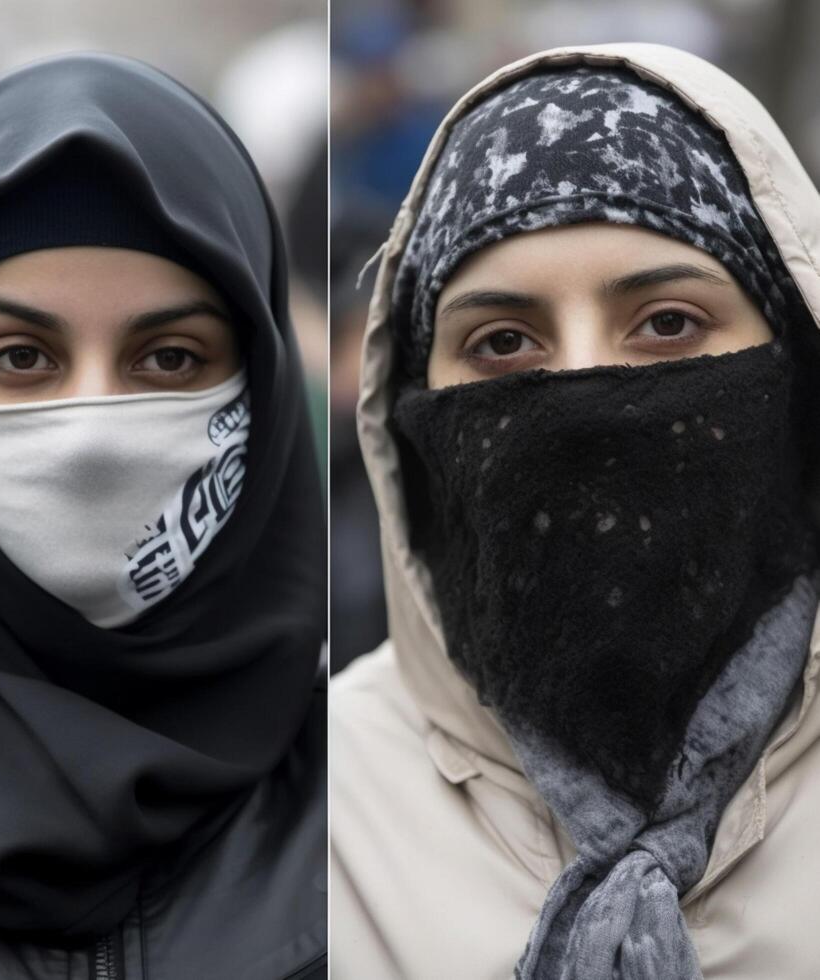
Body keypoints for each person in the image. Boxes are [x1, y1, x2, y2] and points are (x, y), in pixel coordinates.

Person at [330, 43, 820, 979]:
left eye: (668, 323)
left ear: (793, 361)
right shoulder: (326, 797)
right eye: (504, 340)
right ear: (414, 405)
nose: (586, 386)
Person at [0, 52, 326, 979]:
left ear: (261, 388)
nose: (91, 437)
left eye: (171, 358)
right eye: (20, 356)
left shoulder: (386, 796)